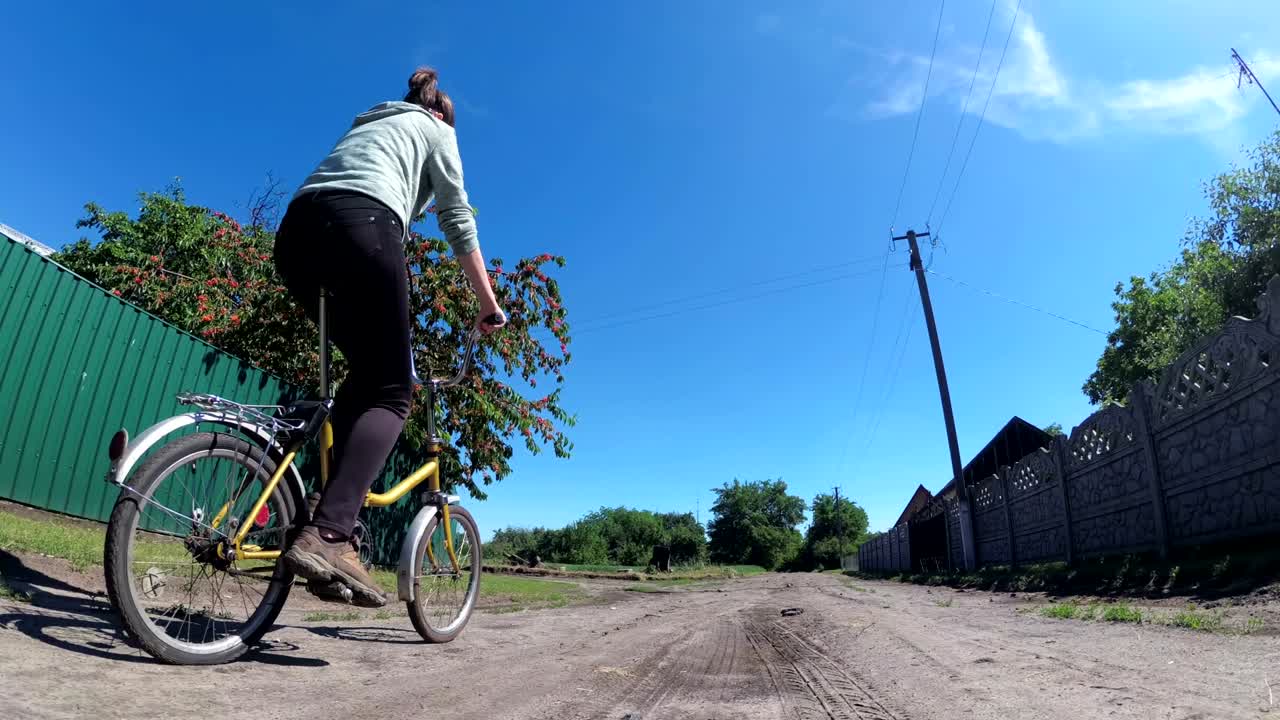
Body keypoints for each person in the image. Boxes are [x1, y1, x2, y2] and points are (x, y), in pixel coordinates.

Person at [274, 67, 504, 607]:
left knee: (365, 378)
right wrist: (488, 303)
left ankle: (323, 510)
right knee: (396, 392)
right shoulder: (437, 129)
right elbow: (457, 217)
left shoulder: (373, 121)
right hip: (363, 224)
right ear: (440, 113)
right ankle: (331, 533)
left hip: (297, 233)